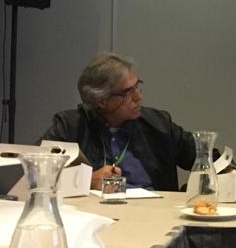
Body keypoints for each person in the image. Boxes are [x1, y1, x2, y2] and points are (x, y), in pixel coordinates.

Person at [42, 52, 195, 191]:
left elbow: (203, 156)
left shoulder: (158, 124)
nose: (138, 97)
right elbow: (38, 174)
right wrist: (86, 180)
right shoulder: (69, 127)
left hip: (154, 209)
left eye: (137, 86)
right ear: (101, 101)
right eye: (127, 93)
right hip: (94, 210)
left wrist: (193, 192)